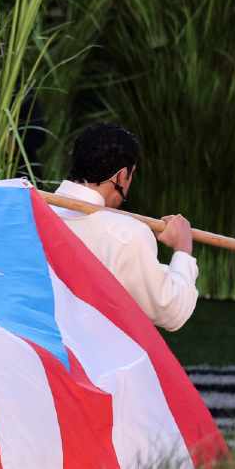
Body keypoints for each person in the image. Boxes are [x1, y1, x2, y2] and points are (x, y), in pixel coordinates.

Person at [51, 123, 198, 331]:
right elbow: (171, 313)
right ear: (121, 176)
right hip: (90, 355)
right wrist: (183, 249)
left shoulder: (32, 210)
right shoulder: (127, 235)